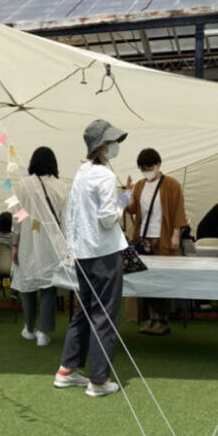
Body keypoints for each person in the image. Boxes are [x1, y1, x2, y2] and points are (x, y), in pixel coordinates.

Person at [54, 119, 130, 397]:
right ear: (102, 146)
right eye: (112, 142)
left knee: (85, 311)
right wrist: (123, 202)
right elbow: (108, 218)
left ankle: (67, 369)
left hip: (82, 252)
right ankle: (98, 380)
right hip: (103, 252)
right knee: (104, 314)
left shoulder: (82, 172)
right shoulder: (104, 176)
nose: (116, 146)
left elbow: (76, 214)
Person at [124, 147, 187, 336]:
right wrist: (127, 193)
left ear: (158, 164)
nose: (146, 171)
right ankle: (151, 318)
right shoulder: (140, 185)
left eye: (149, 167)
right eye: (143, 168)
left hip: (164, 238)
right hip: (144, 239)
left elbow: (178, 211)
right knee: (146, 280)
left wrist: (176, 234)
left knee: (162, 279)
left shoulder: (171, 184)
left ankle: (163, 320)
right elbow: (131, 209)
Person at [12, 146, 69, 347]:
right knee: (48, 287)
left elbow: (18, 217)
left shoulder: (23, 184)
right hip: (52, 243)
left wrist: (14, 244)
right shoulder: (62, 186)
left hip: (28, 240)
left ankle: (29, 328)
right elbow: (65, 219)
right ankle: (44, 333)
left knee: (27, 285)